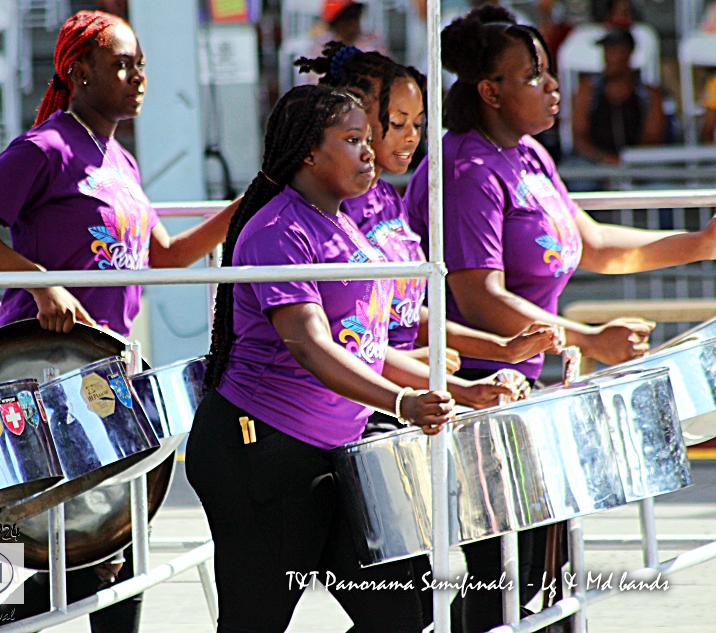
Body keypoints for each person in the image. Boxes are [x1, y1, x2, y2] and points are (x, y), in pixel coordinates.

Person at [405, 7, 716, 632]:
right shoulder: (465, 172)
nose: (551, 86)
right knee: (496, 589)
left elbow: (595, 244)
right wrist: (589, 338)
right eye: (533, 75)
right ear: (489, 91)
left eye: (547, 72)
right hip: (474, 399)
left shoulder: (527, 157)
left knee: (549, 585)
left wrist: (701, 242)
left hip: (530, 394)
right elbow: (479, 296)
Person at [0, 10, 238, 631]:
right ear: (78, 73)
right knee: (46, 552)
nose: (136, 77)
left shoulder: (120, 161)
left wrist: (247, 205)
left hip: (107, 376)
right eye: (121, 64)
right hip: (40, 375)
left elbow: (165, 255)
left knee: (112, 550)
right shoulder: (43, 147)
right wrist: (39, 280)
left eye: (141, 65)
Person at [296, 42, 560, 629]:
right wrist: (458, 388)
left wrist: (498, 350)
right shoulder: (335, 213)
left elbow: (403, 311)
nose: (410, 138)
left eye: (419, 123)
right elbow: (360, 343)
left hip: (406, 396)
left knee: (512, 561)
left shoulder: (387, 195)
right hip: (364, 415)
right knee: (402, 606)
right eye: (395, 124)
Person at [187, 83, 455, 633]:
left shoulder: (342, 219)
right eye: (353, 139)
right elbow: (309, 345)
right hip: (260, 454)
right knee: (254, 623)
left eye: (367, 139)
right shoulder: (277, 229)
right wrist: (403, 403)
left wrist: (462, 390)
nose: (369, 152)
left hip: (333, 453)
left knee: (404, 613)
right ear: (309, 151)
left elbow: (361, 345)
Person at [570, 27, 665, 165]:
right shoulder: (587, 90)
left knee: (659, 183)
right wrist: (602, 158)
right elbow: (579, 136)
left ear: (628, 53)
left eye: (614, 50)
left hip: (638, 163)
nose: (607, 56)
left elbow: (652, 138)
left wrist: (628, 162)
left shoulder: (650, 94)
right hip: (595, 162)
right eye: (606, 50)